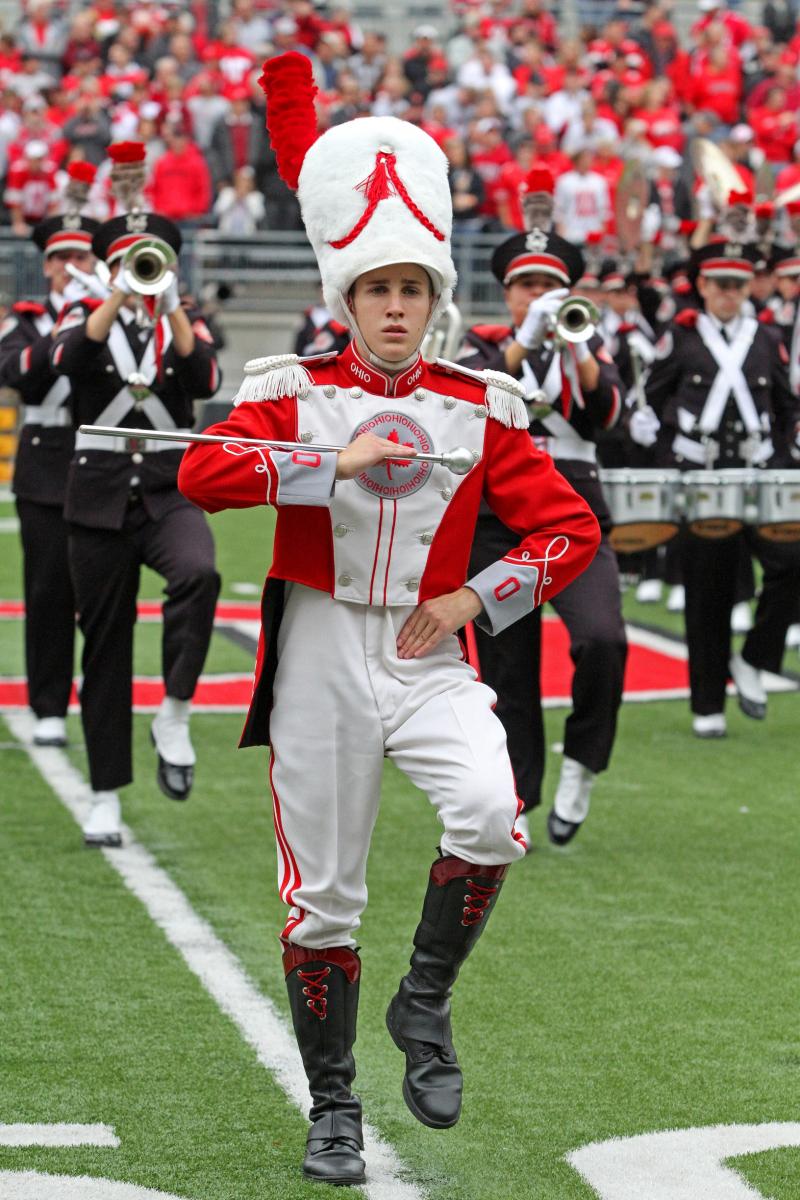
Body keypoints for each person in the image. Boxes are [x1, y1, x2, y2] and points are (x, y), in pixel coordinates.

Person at [178, 51, 600, 1188]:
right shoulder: (288, 385)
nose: (397, 307)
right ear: (348, 298)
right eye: (378, 291)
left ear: (436, 297)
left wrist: (473, 595)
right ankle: (332, 1108)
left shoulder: (482, 405)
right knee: (322, 898)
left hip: (428, 648)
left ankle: (423, 1001)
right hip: (318, 644)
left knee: (486, 816)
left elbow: (567, 532)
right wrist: (324, 461)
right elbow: (205, 477)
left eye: (413, 289)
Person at [49, 141, 222, 848]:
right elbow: (68, 362)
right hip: (95, 496)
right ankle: (105, 796)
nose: (140, 271)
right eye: (128, 259)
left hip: (165, 489)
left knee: (201, 572)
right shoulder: (85, 313)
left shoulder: (183, 319)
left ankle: (175, 710)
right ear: (109, 263)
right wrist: (118, 288)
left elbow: (204, 379)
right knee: (106, 646)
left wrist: (171, 302)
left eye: (149, 260)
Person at [459, 210, 626, 849]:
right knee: (509, 666)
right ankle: (520, 792)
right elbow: (476, 401)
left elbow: (607, 413)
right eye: (525, 285)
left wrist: (577, 344)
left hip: (577, 518)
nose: (537, 296)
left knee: (603, 639)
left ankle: (583, 762)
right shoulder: (481, 347)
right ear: (507, 292)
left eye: (548, 286)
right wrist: (524, 342)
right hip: (500, 525)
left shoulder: (588, 347)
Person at [641, 240, 800, 737]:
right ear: (703, 286)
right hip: (701, 478)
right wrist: (668, 457)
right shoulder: (680, 337)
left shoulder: (766, 336)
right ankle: (707, 703)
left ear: (748, 286)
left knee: (791, 563)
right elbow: (650, 401)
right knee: (707, 589)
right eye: (719, 285)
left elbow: (785, 405)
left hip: (758, 474)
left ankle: (755, 657)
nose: (729, 294)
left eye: (737, 284)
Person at [0, 182, 98, 748]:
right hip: (43, 472)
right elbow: (17, 373)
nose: (68, 265)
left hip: (101, 467)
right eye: (59, 257)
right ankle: (48, 706)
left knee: (105, 595)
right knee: (48, 593)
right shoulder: (28, 318)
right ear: (45, 264)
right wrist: (74, 330)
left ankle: (101, 699)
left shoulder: (114, 314)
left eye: (79, 256)